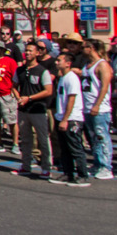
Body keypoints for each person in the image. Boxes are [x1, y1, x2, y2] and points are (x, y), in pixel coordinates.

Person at [15, 41, 55, 178]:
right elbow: (14, 86)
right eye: (26, 50)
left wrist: (30, 98)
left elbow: (48, 90)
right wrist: (19, 98)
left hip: (38, 110)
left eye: (30, 51)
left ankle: (46, 167)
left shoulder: (42, 71)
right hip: (23, 110)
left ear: (37, 53)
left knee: (43, 139)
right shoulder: (20, 70)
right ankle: (25, 166)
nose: (27, 53)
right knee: (25, 140)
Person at [50, 51, 90, 186]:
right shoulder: (63, 77)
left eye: (59, 60)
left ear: (68, 63)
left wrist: (65, 119)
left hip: (72, 119)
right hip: (61, 117)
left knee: (75, 148)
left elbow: (71, 99)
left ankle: (83, 175)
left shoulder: (72, 78)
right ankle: (68, 173)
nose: (56, 62)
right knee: (65, 148)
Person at [81, 40, 115, 179]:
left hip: (100, 109)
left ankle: (106, 167)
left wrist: (97, 104)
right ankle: (97, 163)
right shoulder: (87, 65)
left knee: (102, 137)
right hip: (87, 107)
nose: (82, 49)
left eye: (84, 47)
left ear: (91, 48)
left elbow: (104, 87)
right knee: (93, 138)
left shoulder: (102, 65)